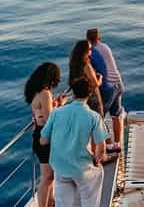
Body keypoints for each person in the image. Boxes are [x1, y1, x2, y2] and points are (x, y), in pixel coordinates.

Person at [39, 77, 109, 207]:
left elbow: (43, 140)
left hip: (60, 168)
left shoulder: (56, 113)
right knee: (95, 180)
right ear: (90, 94)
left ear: (74, 94)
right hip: (82, 169)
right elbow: (101, 149)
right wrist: (96, 160)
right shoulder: (94, 117)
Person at [25, 62, 67, 207]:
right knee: (47, 177)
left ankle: (49, 203)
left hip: (39, 134)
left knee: (49, 176)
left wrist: (55, 105)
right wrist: (60, 105)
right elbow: (50, 119)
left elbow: (42, 114)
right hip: (45, 137)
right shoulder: (45, 93)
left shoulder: (36, 92)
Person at [87, 28, 125, 152]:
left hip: (107, 87)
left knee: (100, 117)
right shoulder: (105, 47)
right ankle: (118, 143)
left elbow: (93, 73)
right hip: (118, 83)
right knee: (116, 115)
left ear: (88, 40)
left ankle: (108, 144)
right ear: (99, 38)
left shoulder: (91, 52)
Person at [69, 40, 104, 117]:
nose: (91, 50)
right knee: (97, 119)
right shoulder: (86, 65)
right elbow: (95, 84)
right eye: (90, 49)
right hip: (90, 96)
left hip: (78, 97)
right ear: (85, 51)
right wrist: (100, 78)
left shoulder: (73, 64)